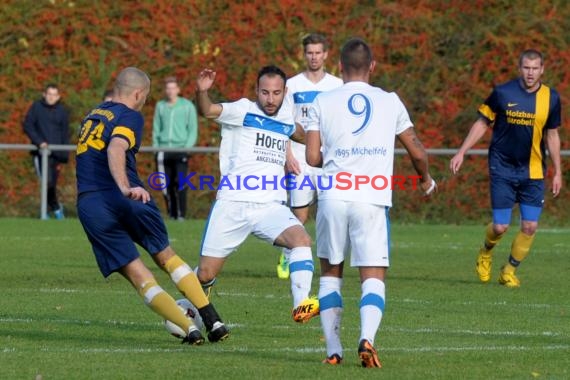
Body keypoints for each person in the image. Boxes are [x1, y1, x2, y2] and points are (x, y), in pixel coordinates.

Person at [306, 38, 437, 367]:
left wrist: (336, 158)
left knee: (330, 274)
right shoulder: (390, 101)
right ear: (373, 67)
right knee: (373, 276)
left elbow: (311, 156)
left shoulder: (323, 100)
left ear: (338, 66)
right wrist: (425, 179)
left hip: (333, 196)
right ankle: (367, 339)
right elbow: (417, 151)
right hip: (371, 198)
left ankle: (333, 351)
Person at [76, 67, 229, 345]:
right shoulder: (130, 115)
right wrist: (124, 187)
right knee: (167, 257)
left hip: (91, 203)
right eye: (145, 97)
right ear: (138, 94)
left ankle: (189, 329)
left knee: (139, 276)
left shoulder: (93, 115)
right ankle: (213, 320)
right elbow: (115, 148)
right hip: (127, 196)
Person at [194, 65, 319, 324]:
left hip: (269, 207)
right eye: (264, 92)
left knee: (302, 240)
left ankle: (301, 304)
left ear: (285, 92)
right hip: (233, 203)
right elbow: (207, 110)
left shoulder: (286, 120)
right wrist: (202, 92)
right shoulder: (242, 110)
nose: (270, 99)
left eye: (276, 93)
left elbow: (306, 136)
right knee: (205, 274)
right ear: (256, 91)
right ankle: (186, 308)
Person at [450, 49, 562, 288]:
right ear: (519, 68)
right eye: (526, 68)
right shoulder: (503, 92)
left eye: (535, 68)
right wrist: (461, 151)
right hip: (502, 167)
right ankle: (486, 252)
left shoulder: (551, 98)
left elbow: (552, 135)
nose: (530, 73)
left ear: (542, 69)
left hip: (532, 170)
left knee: (530, 226)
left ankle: (509, 270)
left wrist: (558, 172)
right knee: (500, 227)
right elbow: (482, 123)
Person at [276, 33, 343, 280]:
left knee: (330, 210)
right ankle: (287, 253)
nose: (314, 57)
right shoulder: (292, 85)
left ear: (326, 54)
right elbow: (284, 121)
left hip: (329, 160)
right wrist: (287, 155)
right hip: (301, 160)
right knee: (300, 213)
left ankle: (329, 262)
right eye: (309, 53)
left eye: (318, 52)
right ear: (304, 55)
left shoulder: (337, 85)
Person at [153, 77, 199, 220]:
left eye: (173, 88)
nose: (170, 91)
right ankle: (171, 215)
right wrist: (155, 147)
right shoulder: (160, 106)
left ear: (178, 90)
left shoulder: (187, 106)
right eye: (168, 88)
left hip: (180, 150)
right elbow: (156, 128)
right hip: (163, 149)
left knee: (180, 182)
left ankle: (181, 215)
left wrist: (187, 148)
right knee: (165, 184)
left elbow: (192, 129)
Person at [23, 83, 70, 219]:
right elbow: (28, 125)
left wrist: (64, 156)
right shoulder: (36, 107)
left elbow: (65, 134)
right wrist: (40, 142)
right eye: (49, 94)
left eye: (54, 95)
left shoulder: (62, 111)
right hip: (41, 154)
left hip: (57, 154)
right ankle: (51, 211)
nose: (51, 97)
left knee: (52, 184)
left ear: (58, 96)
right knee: (46, 182)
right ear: (44, 94)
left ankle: (54, 207)